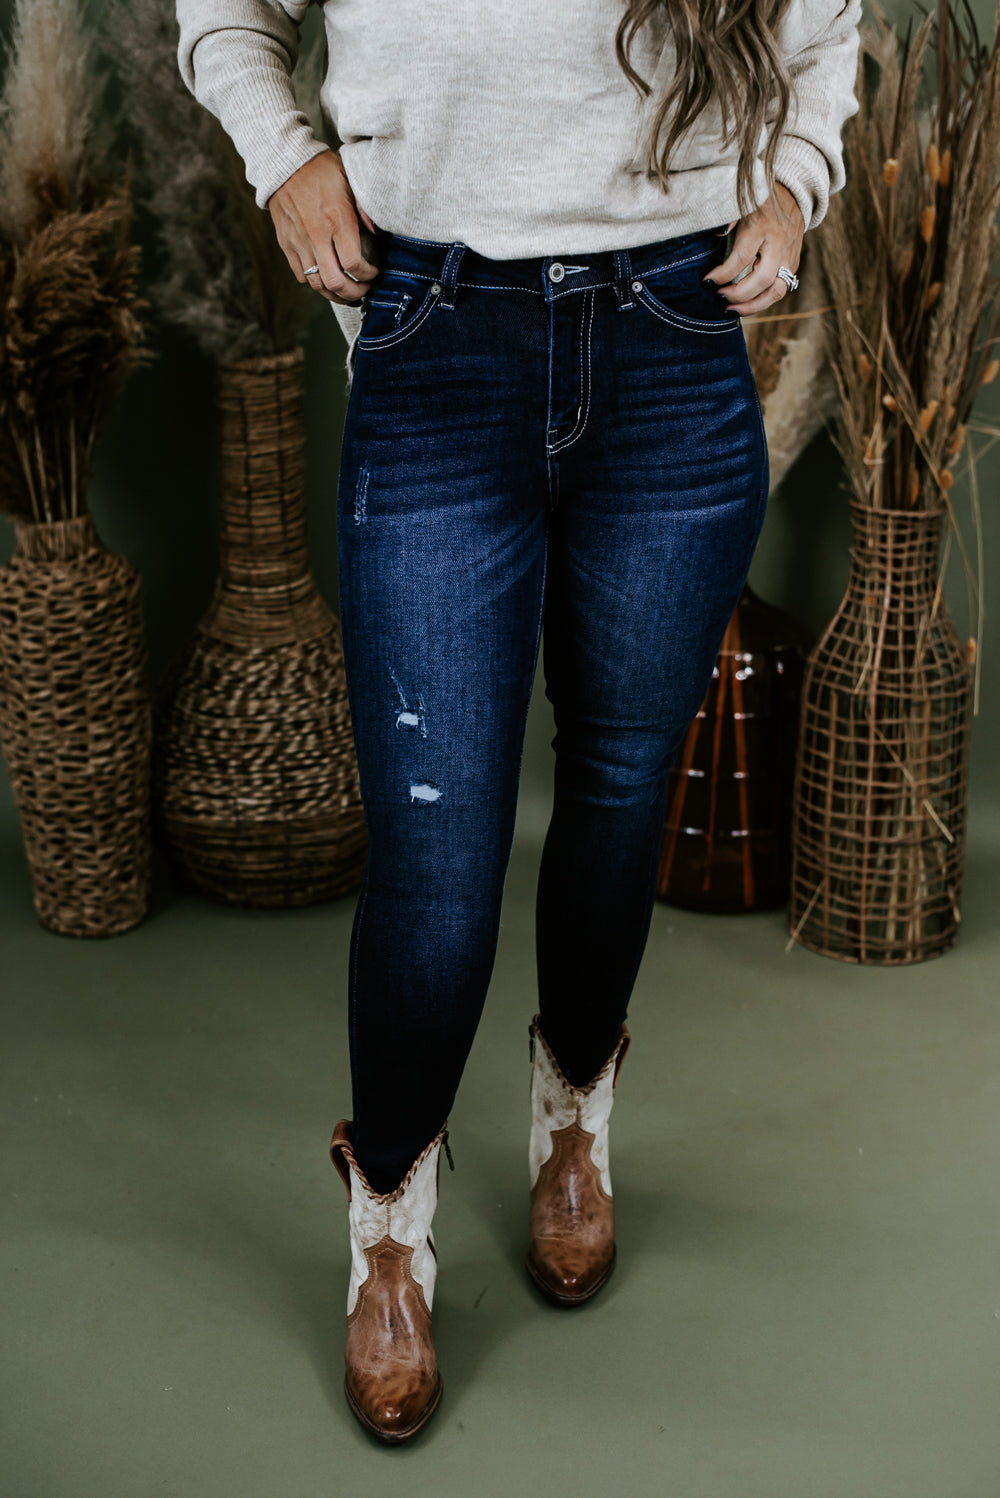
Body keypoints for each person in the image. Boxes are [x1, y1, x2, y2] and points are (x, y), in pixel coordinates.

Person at [176, 0, 862, 1444]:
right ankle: (387, 1230)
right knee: (436, 855)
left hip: (673, 335)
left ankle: (572, 1127)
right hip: (437, 332)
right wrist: (285, 157)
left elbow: (827, 22)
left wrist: (798, 180)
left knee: (618, 793)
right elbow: (224, 13)